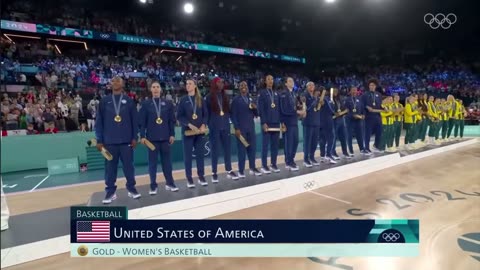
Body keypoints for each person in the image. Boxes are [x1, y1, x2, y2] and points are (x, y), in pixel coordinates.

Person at [95, 76, 140, 204]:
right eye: (113, 80)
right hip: (109, 142)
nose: (115, 82)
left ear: (123, 84)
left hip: (126, 141)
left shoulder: (129, 101)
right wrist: (99, 140)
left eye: (118, 80)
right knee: (110, 169)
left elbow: (134, 122)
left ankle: (131, 189)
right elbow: (99, 122)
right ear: (110, 84)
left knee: (129, 167)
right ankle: (110, 192)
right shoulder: (104, 101)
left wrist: (134, 137)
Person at [139, 81, 178, 194]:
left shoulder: (168, 103)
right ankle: (153, 186)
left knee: (167, 163)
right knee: (152, 164)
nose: (155, 89)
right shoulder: (146, 104)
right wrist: (142, 136)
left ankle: (170, 183)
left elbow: (171, 121)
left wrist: (172, 134)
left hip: (165, 138)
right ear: (151, 90)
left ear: (161, 89)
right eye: (153, 87)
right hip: (151, 140)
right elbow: (142, 123)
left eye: (157, 87)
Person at [205, 77, 238, 182]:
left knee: (227, 150)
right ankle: (214, 172)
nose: (222, 83)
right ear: (214, 83)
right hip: (214, 127)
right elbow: (206, 113)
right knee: (214, 151)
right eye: (219, 82)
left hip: (225, 127)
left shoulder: (225, 96)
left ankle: (229, 170)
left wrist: (233, 124)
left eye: (223, 82)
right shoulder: (209, 97)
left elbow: (229, 111)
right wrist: (207, 125)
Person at [177, 79, 208, 187]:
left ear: (195, 86)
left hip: (199, 132)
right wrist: (189, 124)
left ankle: (201, 176)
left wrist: (204, 124)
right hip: (188, 132)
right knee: (188, 156)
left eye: (190, 83)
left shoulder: (201, 99)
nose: (188, 85)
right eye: (186, 84)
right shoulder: (183, 100)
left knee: (200, 155)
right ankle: (189, 178)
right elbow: (179, 116)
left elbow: (206, 114)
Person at [231, 81, 262, 177]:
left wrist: (255, 108)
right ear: (239, 88)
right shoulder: (236, 100)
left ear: (248, 88)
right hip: (241, 129)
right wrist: (236, 128)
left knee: (252, 149)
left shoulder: (250, 99)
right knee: (242, 150)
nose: (244, 87)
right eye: (241, 85)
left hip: (251, 129)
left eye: (245, 85)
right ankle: (241, 170)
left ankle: (252, 168)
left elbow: (256, 115)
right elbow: (233, 115)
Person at [258, 75, 281, 173]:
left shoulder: (276, 93)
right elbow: (261, 109)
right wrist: (263, 122)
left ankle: (273, 164)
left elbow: (279, 108)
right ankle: (264, 165)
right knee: (265, 145)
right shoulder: (262, 93)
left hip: (276, 122)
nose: (270, 81)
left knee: (275, 145)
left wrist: (281, 121)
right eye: (268, 79)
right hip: (267, 123)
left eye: (272, 79)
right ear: (265, 81)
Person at [279, 77, 303, 171]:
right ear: (285, 84)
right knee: (289, 143)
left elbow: (294, 106)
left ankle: (291, 159)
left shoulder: (294, 94)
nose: (292, 82)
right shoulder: (284, 94)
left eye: (293, 81)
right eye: (289, 81)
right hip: (287, 121)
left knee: (295, 141)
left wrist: (300, 108)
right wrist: (297, 112)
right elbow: (284, 109)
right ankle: (288, 162)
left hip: (294, 121)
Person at [302, 82, 321, 167]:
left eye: (313, 85)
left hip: (316, 121)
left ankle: (312, 157)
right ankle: (306, 159)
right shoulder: (304, 96)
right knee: (307, 141)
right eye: (310, 85)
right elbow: (306, 108)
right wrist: (315, 100)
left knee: (314, 141)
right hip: (308, 122)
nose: (312, 86)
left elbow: (317, 108)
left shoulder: (315, 97)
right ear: (306, 87)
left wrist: (319, 103)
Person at [362, 79, 383, 153]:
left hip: (377, 116)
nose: (372, 86)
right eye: (370, 85)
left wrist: (384, 107)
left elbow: (381, 105)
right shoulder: (365, 94)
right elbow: (362, 104)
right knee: (368, 133)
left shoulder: (379, 94)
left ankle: (376, 146)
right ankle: (366, 148)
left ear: (375, 86)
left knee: (379, 132)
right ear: (368, 86)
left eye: (373, 85)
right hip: (369, 117)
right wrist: (367, 107)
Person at [331, 87, 350, 159]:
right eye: (334, 91)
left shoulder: (340, 99)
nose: (335, 92)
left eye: (336, 90)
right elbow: (333, 112)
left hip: (341, 119)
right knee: (334, 137)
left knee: (343, 137)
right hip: (334, 121)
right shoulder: (330, 100)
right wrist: (341, 112)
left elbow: (346, 109)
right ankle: (333, 152)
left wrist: (341, 113)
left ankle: (345, 152)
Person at [319, 87, 336, 164]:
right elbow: (329, 109)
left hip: (321, 121)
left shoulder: (324, 99)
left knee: (323, 139)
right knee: (330, 138)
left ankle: (322, 156)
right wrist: (334, 113)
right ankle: (328, 155)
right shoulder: (324, 99)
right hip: (327, 121)